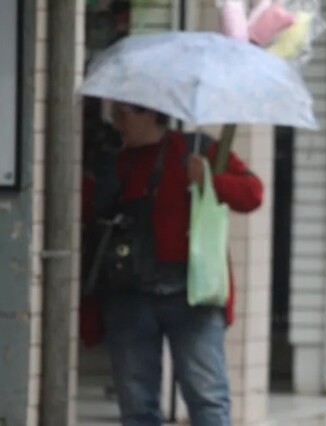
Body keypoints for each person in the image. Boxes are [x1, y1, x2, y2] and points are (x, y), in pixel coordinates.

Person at [96, 102, 263, 426]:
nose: (117, 124)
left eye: (123, 115)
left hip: (193, 293)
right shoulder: (117, 161)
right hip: (130, 293)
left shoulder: (195, 149)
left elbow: (253, 193)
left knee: (208, 398)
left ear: (148, 113)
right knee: (136, 403)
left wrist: (211, 180)